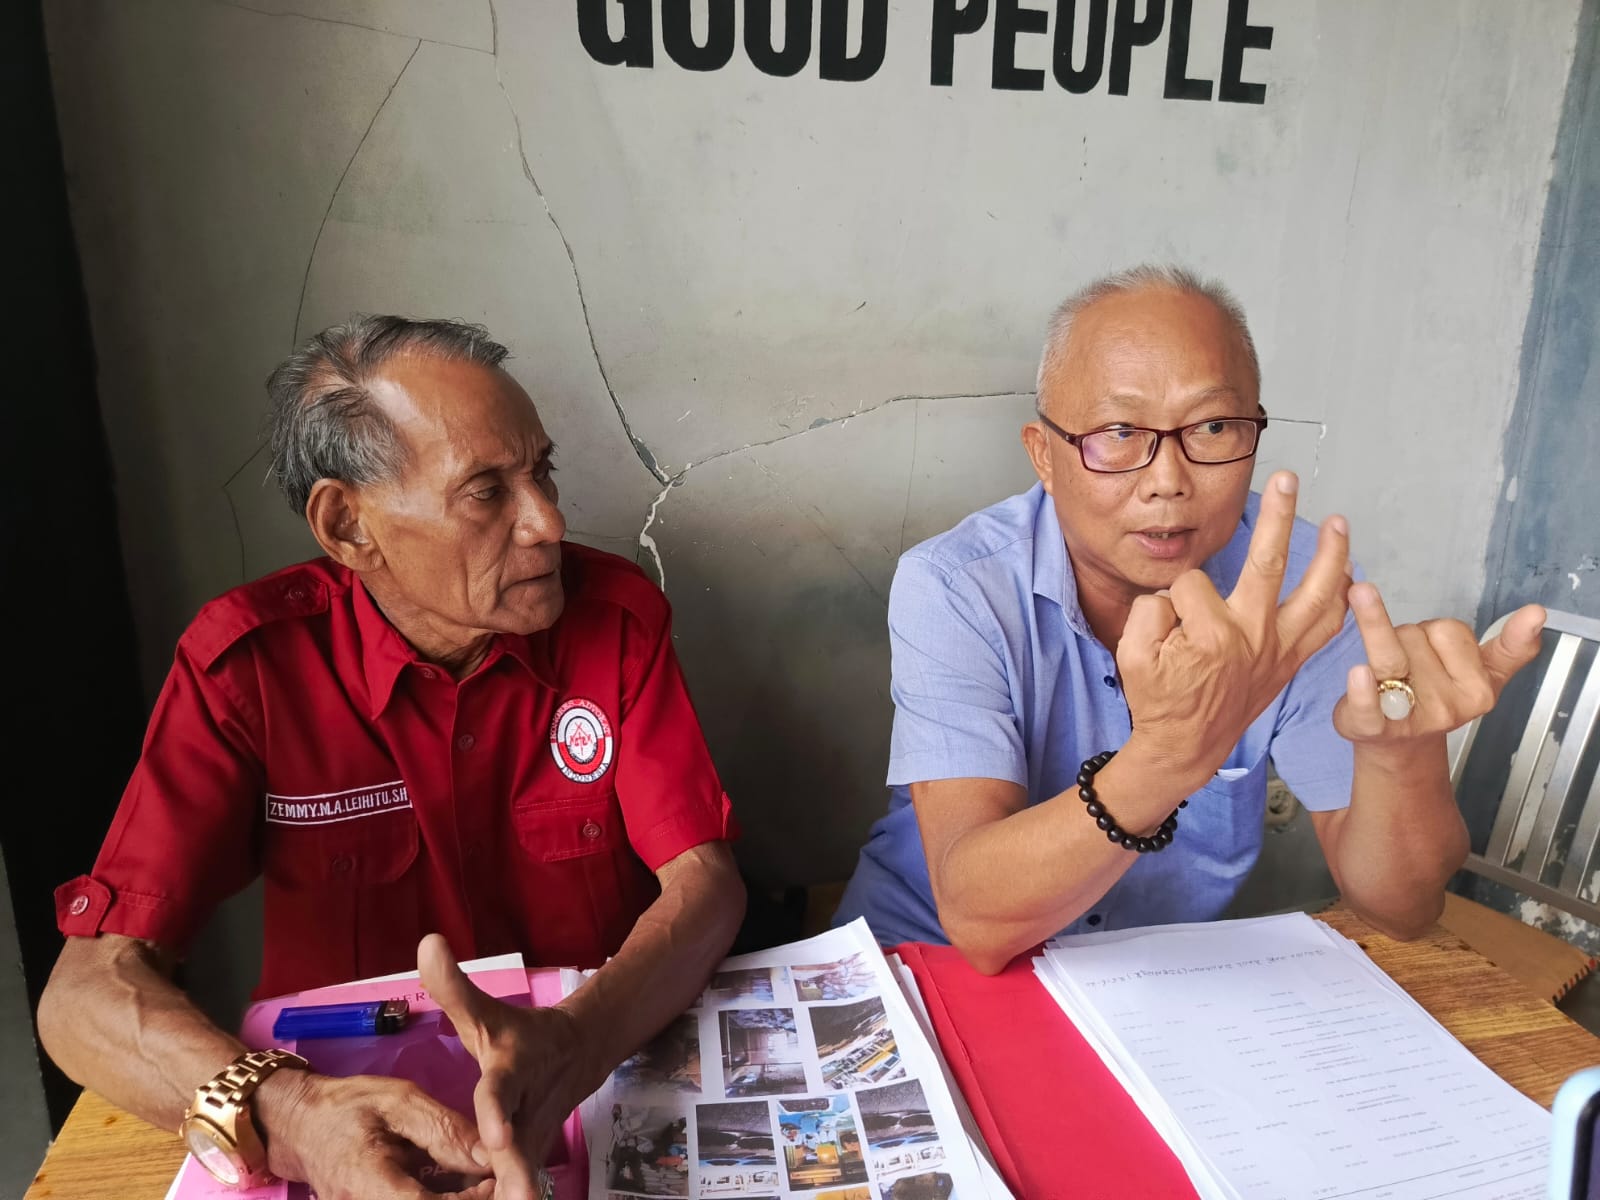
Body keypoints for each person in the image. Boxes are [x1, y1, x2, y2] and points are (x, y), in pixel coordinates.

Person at [37, 317, 746, 1200]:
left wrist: (578, 1041)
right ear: (349, 524)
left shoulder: (616, 621)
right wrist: (292, 1115)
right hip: (344, 1116)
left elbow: (704, 883)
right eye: (488, 491)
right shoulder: (250, 669)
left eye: (542, 471)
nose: (548, 521)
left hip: (596, 1082)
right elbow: (86, 990)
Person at [835, 265, 1545, 973]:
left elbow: (1402, 909)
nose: (1169, 479)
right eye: (1118, 431)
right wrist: (1171, 754)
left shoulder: (1299, 588)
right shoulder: (959, 586)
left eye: (1212, 426)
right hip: (926, 968)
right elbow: (978, 922)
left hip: (1152, 991)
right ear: (1044, 455)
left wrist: (1403, 757)